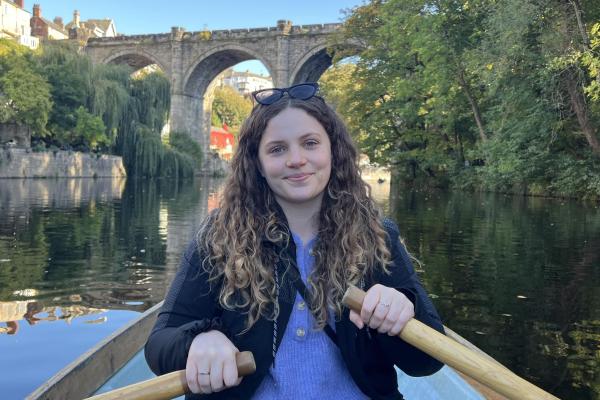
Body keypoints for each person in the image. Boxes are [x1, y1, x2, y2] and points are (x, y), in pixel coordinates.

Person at [145, 82, 444, 399]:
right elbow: (159, 345)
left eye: (310, 143)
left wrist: (400, 311)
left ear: (333, 151)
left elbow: (426, 362)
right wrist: (199, 340)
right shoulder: (218, 238)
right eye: (277, 149)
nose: (296, 159)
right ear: (257, 164)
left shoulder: (377, 234)